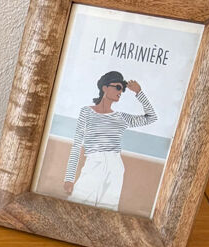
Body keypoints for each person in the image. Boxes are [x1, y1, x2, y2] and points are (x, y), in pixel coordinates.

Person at [63, 70, 157, 210]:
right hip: (93, 163)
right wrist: (69, 178)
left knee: (108, 210)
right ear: (105, 88)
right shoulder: (86, 112)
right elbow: (76, 145)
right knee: (77, 206)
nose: (121, 91)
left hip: (115, 167)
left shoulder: (121, 118)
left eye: (123, 89)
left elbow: (151, 117)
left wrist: (139, 92)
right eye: (118, 87)